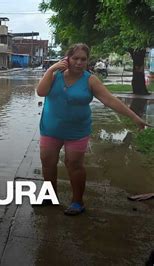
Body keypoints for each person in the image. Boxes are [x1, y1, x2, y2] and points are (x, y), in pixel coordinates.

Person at [36, 43, 148, 216]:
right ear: (67, 58)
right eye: (75, 58)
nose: (79, 62)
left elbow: (110, 100)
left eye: (83, 59)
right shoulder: (55, 75)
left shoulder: (90, 80)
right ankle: (50, 196)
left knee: (74, 164)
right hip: (51, 129)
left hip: (77, 132)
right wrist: (51, 69)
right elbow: (41, 92)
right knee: (48, 163)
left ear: (88, 61)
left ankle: (77, 202)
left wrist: (134, 116)